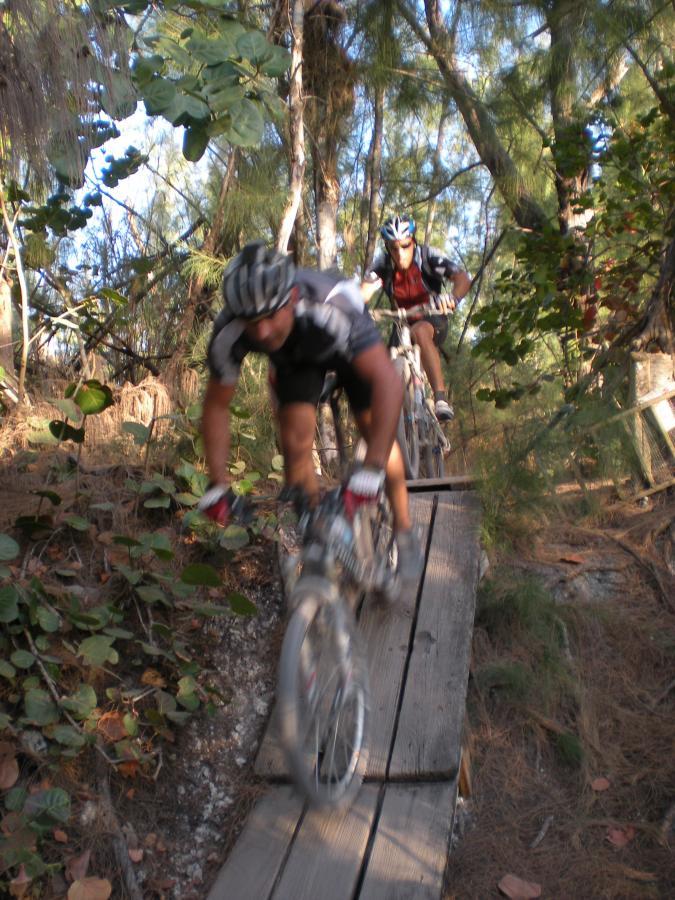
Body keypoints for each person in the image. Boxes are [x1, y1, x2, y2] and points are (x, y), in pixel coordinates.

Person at [198, 240, 421, 588]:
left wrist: (372, 467)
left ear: (290, 298)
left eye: (270, 315)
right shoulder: (230, 330)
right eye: (250, 321)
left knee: (373, 427)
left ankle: (405, 532)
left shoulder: (331, 303)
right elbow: (216, 406)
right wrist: (217, 484)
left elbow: (388, 382)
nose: (262, 332)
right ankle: (319, 535)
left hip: (346, 349)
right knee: (294, 444)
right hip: (295, 360)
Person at [362, 213, 471, 421]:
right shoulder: (383, 265)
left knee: (420, 331)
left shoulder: (429, 257)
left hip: (431, 318)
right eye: (394, 248)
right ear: (387, 248)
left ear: (413, 241)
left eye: (405, 246)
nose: (400, 254)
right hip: (401, 324)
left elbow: (462, 278)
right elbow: (363, 293)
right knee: (383, 369)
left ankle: (440, 399)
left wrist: (453, 298)